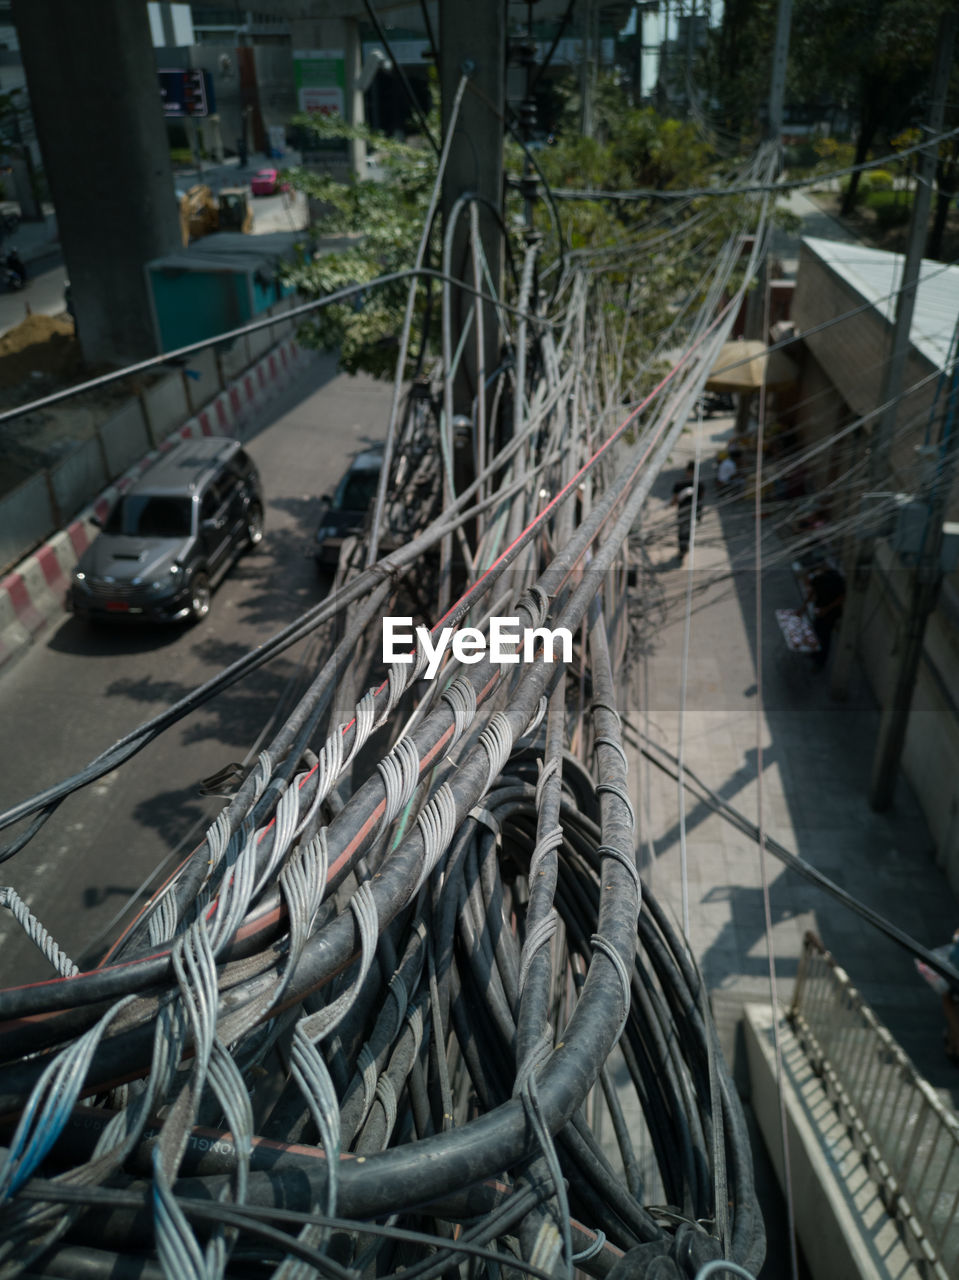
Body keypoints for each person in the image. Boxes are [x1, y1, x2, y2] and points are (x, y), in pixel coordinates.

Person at [803, 565, 844, 669]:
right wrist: (804, 606)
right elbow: (812, 592)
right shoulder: (818, 579)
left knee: (825, 637)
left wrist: (826, 610)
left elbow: (841, 598)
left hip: (831, 614)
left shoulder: (836, 580)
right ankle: (814, 653)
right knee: (816, 631)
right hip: (820, 610)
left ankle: (820, 662)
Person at [671, 461, 705, 559]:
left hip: (683, 511)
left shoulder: (680, 483)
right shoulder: (700, 483)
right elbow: (702, 499)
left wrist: (672, 503)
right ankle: (685, 547)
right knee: (689, 530)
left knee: (682, 531)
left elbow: (675, 500)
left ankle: (683, 549)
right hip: (693, 510)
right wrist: (699, 514)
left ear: (687, 470)